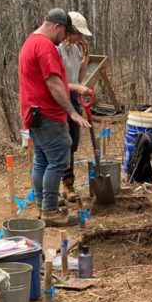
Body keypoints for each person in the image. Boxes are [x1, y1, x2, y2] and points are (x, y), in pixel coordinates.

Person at [18, 8, 90, 226]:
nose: (65, 37)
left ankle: (43, 204)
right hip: (47, 113)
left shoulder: (31, 42)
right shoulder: (45, 47)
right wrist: (71, 112)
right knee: (59, 158)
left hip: (34, 113)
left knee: (41, 160)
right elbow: (55, 84)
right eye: (64, 32)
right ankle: (50, 211)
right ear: (57, 27)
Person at [57, 11, 94, 204]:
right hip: (59, 98)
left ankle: (68, 183)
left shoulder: (75, 50)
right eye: (79, 34)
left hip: (73, 97)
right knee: (61, 143)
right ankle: (58, 185)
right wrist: (77, 88)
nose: (81, 38)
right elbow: (56, 82)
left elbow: (78, 78)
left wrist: (85, 57)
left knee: (72, 143)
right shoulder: (57, 50)